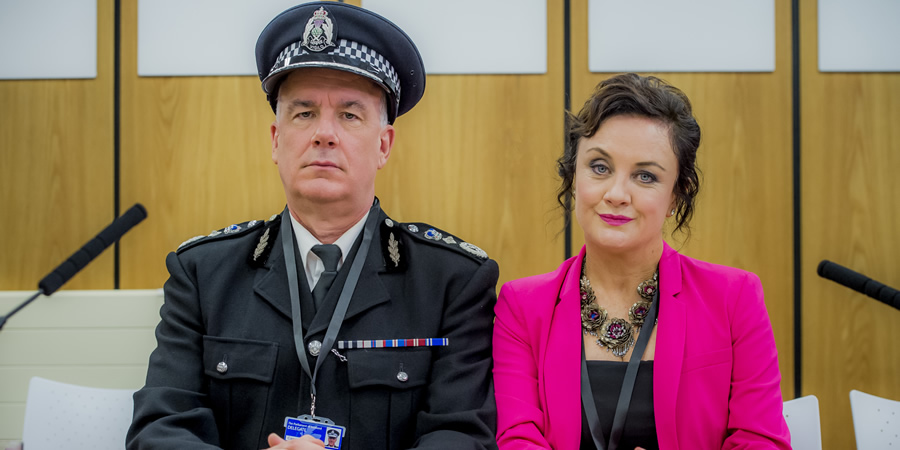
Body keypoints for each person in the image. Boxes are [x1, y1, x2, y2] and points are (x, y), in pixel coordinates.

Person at [126, 3, 498, 449]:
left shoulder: (450, 281)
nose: (324, 133)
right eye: (303, 113)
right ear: (276, 141)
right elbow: (160, 429)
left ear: (383, 145)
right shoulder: (204, 274)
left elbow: (461, 437)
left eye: (349, 114)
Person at [492, 73, 790, 449]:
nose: (617, 194)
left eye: (645, 176)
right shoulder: (521, 306)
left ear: (676, 198)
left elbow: (760, 440)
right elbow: (516, 439)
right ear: (573, 177)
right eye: (599, 167)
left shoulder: (734, 298)